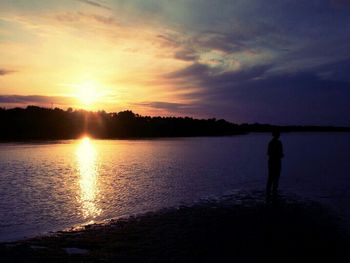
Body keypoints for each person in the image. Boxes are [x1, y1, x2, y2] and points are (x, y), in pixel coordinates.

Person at [266, 130, 284, 198]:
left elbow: (268, 153)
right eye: (278, 134)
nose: (279, 135)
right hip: (276, 162)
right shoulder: (279, 143)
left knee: (270, 177)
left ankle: (268, 192)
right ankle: (274, 192)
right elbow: (280, 153)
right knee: (276, 177)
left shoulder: (270, 143)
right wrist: (280, 155)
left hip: (271, 162)